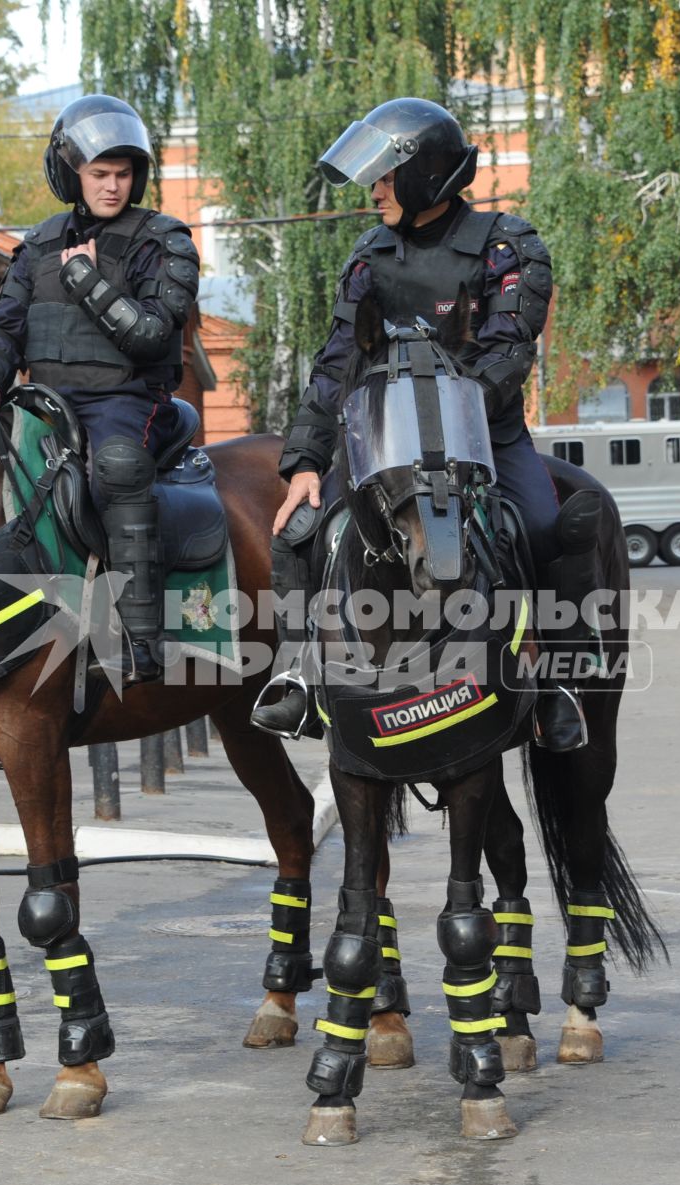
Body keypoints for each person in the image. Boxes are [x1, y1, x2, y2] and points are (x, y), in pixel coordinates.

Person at [248, 97, 586, 751]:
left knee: (547, 528)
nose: (374, 192)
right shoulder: (370, 254)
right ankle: (296, 675)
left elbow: (508, 352)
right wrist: (305, 463)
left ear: (423, 174)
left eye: (382, 177)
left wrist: (443, 414)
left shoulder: (509, 244)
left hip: (485, 439)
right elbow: (336, 360)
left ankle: (558, 686)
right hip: (382, 445)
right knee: (297, 533)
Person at [0, 94, 200, 684]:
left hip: (126, 400)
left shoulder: (162, 241)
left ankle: (144, 638)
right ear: (72, 174)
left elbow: (148, 334)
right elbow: (5, 325)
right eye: (99, 174)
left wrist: (85, 278)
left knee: (116, 468)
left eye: (122, 174)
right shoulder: (37, 244)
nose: (112, 186)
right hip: (46, 401)